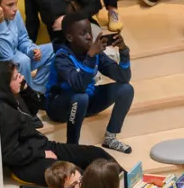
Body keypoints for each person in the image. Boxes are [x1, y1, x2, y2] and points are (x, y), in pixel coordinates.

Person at [0, 60, 115, 187]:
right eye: (16, 77)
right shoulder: (4, 113)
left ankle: (126, 184)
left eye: (19, 74)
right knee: (74, 176)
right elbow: (11, 154)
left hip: (42, 145)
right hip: (26, 163)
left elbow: (36, 107)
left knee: (96, 154)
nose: (21, 77)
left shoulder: (16, 96)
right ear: (5, 85)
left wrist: (26, 89)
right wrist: (42, 154)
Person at [46, 18, 135, 154]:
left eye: (89, 32)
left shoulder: (94, 53)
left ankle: (110, 138)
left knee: (126, 89)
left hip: (86, 101)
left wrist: (123, 51)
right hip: (60, 107)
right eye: (83, 34)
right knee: (81, 97)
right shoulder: (62, 58)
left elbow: (123, 77)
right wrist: (91, 56)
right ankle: (72, 148)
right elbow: (79, 86)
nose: (89, 37)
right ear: (70, 37)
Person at [0, 0, 51, 110]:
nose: (15, 9)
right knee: (22, 60)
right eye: (10, 5)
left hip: (17, 54)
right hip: (4, 64)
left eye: (16, 3)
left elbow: (23, 38)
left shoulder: (16, 15)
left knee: (52, 49)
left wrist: (31, 49)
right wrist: (1, 24)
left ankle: (36, 91)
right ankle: (27, 101)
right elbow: (7, 55)